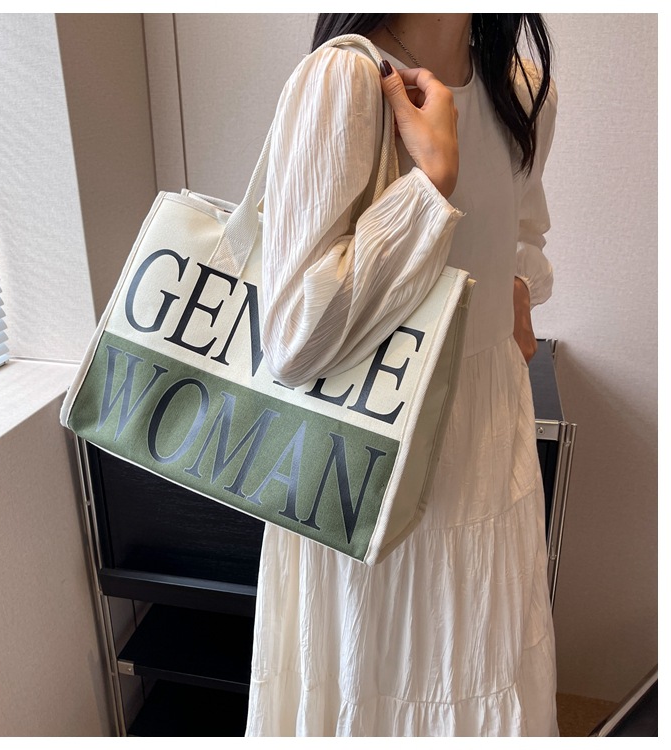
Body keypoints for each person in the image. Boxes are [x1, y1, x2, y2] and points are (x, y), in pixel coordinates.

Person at [246, 12, 558, 737]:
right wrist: (429, 189)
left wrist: (514, 283)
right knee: (373, 686)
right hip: (369, 457)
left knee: (483, 680)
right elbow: (293, 337)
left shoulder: (520, 87)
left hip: (487, 447)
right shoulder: (347, 80)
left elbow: (524, 232)